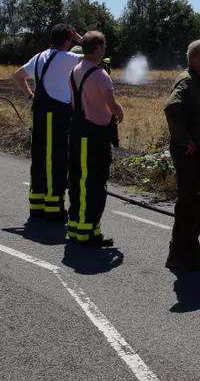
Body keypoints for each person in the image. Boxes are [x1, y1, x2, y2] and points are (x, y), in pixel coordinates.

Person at [11, 24, 83, 223]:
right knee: (56, 161)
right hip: (56, 117)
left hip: (39, 115)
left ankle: (37, 206)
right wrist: (80, 39)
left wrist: (30, 96)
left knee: (39, 159)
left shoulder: (38, 57)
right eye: (71, 39)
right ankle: (54, 209)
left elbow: (17, 76)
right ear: (67, 41)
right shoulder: (65, 57)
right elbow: (94, 58)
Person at [66, 31, 124, 247]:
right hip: (95, 136)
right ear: (98, 48)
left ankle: (75, 227)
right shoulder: (101, 75)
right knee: (95, 184)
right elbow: (112, 104)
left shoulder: (74, 71)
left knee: (78, 181)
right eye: (104, 47)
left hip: (77, 132)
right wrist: (120, 112)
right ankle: (87, 232)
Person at [163, 39, 200, 269]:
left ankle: (191, 245)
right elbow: (171, 107)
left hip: (190, 147)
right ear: (192, 58)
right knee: (189, 200)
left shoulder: (196, 79)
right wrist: (186, 140)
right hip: (186, 150)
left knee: (198, 200)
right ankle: (178, 253)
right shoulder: (187, 81)